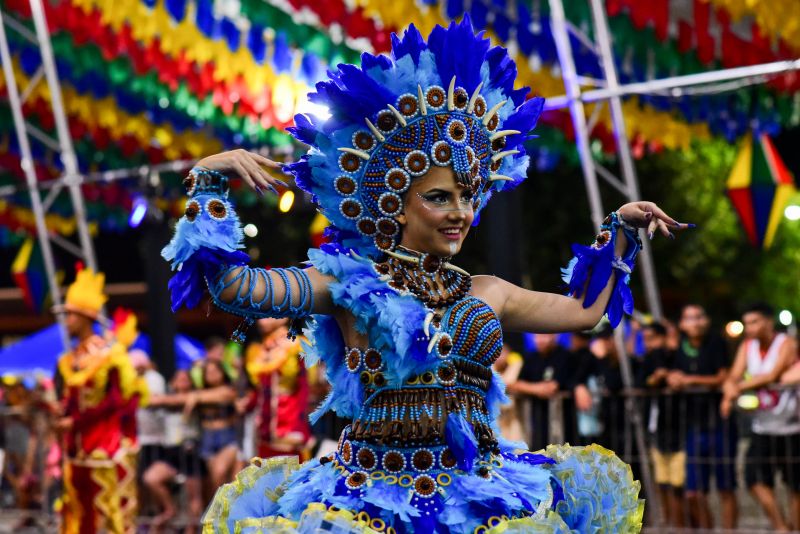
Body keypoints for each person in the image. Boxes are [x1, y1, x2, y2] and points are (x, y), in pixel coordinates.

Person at [161, 17, 688, 532]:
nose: (459, 211)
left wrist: (619, 229)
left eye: (466, 196)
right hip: (372, 498)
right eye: (439, 197)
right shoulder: (350, 284)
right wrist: (209, 180)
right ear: (397, 205)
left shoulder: (488, 291)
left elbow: (586, 312)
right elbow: (234, 289)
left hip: (475, 492)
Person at [52, 268, 142, 534]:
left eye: (70, 314)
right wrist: (62, 411)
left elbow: (116, 400)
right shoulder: (71, 357)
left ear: (85, 317)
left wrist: (75, 420)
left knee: (110, 511)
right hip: (75, 447)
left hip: (104, 444)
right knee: (79, 510)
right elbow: (73, 399)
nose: (66, 320)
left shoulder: (108, 353)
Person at [722, 302, 800, 531]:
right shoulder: (747, 346)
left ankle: (794, 528)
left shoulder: (786, 343)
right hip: (762, 426)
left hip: (791, 427)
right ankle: (781, 527)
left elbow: (772, 374)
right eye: (746, 323)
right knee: (754, 480)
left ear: (768, 321)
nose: (749, 327)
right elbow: (734, 375)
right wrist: (728, 390)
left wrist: (740, 386)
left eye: (754, 322)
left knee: (795, 486)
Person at [668, 303, 737, 529]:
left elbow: (723, 377)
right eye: (690, 318)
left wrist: (690, 380)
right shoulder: (680, 347)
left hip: (720, 423)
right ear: (682, 324)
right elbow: (674, 374)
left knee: (726, 487)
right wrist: (674, 379)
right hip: (693, 424)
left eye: (699, 316)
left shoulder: (716, 343)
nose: (695, 322)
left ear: (706, 320)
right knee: (694, 491)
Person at [145, 369, 205, 534]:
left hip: (191, 450)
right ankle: (170, 509)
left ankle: (191, 528)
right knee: (151, 478)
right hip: (171, 451)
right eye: (179, 379)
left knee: (193, 493)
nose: (183, 382)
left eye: (186, 379)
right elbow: (150, 401)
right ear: (172, 383)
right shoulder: (167, 400)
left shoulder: (196, 397)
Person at [245, 317, 313, 460]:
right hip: (263, 423)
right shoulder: (259, 349)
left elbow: (307, 387)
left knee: (292, 469)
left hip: (290, 419)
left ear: (284, 317)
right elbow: (260, 389)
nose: (261, 320)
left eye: (267, 315)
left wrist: (300, 425)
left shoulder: (297, 345)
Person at [639, 322, 686, 528]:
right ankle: (669, 525)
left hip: (679, 428)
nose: (649, 345)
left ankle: (681, 527)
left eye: (652, 339)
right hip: (658, 429)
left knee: (680, 487)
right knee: (663, 484)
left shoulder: (675, 356)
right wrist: (655, 378)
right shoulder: (651, 358)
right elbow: (642, 380)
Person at [507, 333, 574, 450]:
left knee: (561, 455)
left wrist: (529, 388)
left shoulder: (565, 355)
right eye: (537, 336)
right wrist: (537, 388)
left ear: (555, 336)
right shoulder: (531, 357)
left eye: (544, 336)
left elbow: (552, 387)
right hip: (536, 420)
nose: (539, 340)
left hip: (560, 420)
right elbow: (515, 385)